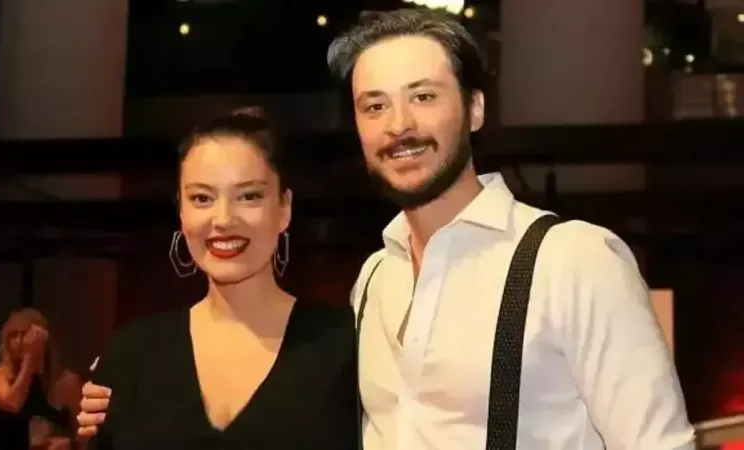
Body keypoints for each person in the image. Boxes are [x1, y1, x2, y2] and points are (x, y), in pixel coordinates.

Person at [77, 8, 696, 450]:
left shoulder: (575, 260)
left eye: (423, 96)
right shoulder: (376, 280)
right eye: (375, 105)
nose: (398, 124)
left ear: (475, 108)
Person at [79, 112, 358, 450]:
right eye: (202, 198)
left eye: (249, 196)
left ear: (284, 208)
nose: (223, 219)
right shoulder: (132, 355)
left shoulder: (347, 346)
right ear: (181, 211)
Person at [0, 308, 82, 450]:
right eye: (14, 335)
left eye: (25, 335)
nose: (19, 341)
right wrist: (29, 360)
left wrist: (70, 443)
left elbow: (84, 434)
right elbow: (13, 404)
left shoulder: (65, 381)